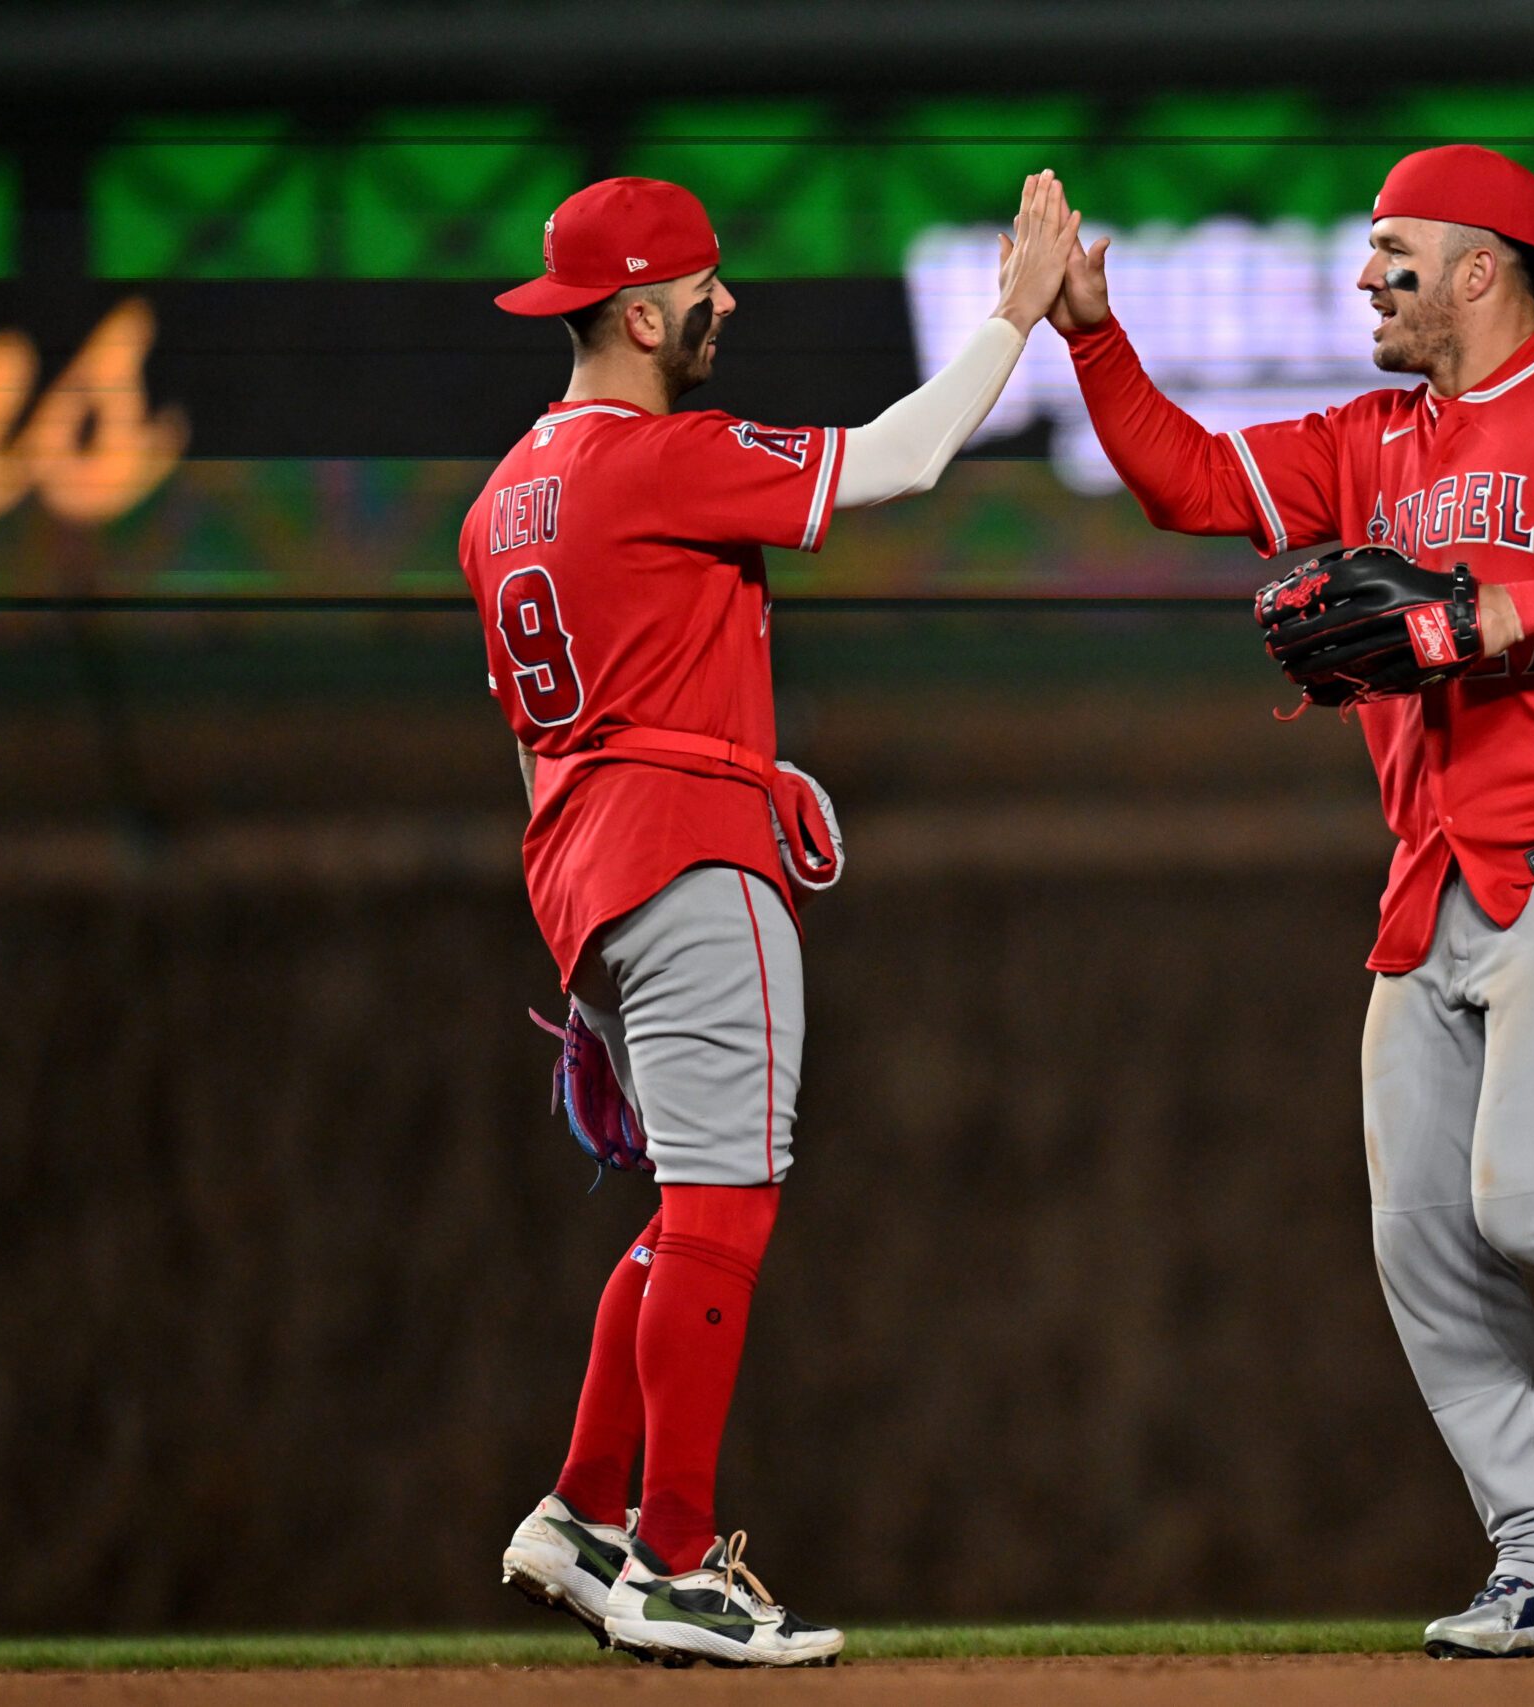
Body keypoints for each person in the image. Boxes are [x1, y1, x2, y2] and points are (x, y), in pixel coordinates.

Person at [1049, 145, 1534, 1659]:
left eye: (1394, 251)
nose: (1369, 276)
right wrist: (1090, 331)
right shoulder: (1368, 438)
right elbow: (1184, 482)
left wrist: (1508, 606)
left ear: (1482, 266)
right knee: (1423, 1240)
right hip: (1431, 892)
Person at [461, 171, 1076, 1668]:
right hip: (684, 863)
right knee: (730, 1205)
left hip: (590, 866)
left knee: (689, 1205)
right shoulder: (652, 457)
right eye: (697, 282)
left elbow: (564, 743)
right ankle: (673, 1560)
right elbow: (907, 459)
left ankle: (586, 1513)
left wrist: (734, 761)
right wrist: (1017, 312)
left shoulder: (500, 501)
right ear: (632, 308)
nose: (721, 301)